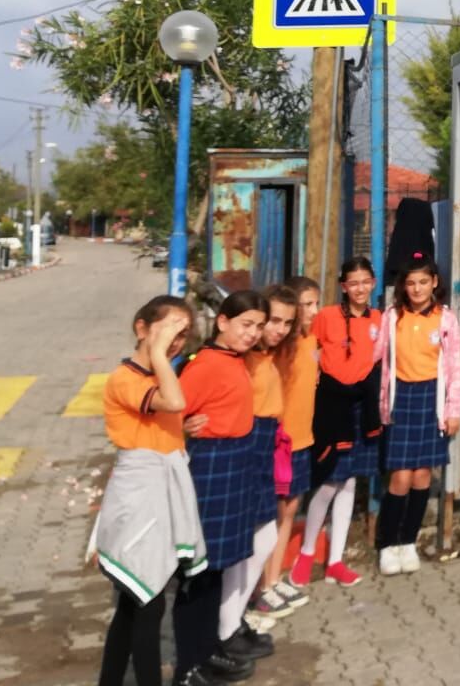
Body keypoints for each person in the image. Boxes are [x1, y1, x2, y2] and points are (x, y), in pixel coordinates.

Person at [96, 296, 198, 686]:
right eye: (169, 329)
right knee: (149, 603)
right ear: (142, 327)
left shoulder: (159, 373)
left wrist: (181, 431)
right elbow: (174, 401)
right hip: (139, 500)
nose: (175, 341)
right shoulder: (126, 378)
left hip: (160, 494)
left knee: (132, 605)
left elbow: (161, 421)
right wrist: (158, 352)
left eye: (183, 333)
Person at [174, 289, 270, 685]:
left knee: (216, 569)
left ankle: (208, 647)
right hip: (212, 465)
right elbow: (171, 411)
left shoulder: (234, 359)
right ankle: (187, 667)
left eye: (258, 326)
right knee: (199, 573)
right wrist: (181, 427)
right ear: (223, 322)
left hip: (235, 461)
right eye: (246, 324)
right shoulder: (205, 364)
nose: (252, 333)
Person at [290, 257, 381, 589]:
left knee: (350, 483)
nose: (359, 289)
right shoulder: (326, 316)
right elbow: (308, 348)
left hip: (361, 407)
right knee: (330, 481)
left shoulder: (378, 319)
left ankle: (336, 561)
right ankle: (306, 552)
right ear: (343, 286)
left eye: (365, 282)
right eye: (352, 283)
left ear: (373, 283)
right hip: (331, 406)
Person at [375, 256, 460, 574]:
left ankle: (408, 541)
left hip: (431, 400)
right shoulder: (392, 317)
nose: (417, 289)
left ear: (434, 283)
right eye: (411, 283)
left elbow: (454, 368)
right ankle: (387, 543)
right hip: (401, 400)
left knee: (422, 475)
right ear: (403, 285)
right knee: (400, 477)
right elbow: (377, 358)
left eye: (423, 282)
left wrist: (453, 411)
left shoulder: (445, 319)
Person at [257, 280, 319, 613]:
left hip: (302, 440)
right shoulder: (278, 349)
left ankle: (274, 579)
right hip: (278, 443)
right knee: (273, 515)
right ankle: (261, 586)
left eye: (315, 304)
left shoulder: (309, 340)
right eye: (306, 305)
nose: (313, 311)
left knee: (290, 512)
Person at [238, 289, 300, 624]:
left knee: (267, 523)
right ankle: (247, 601)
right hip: (249, 441)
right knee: (254, 526)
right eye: (274, 321)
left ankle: (258, 591)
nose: (280, 329)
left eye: (287, 323)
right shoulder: (244, 358)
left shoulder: (272, 355)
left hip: (271, 439)